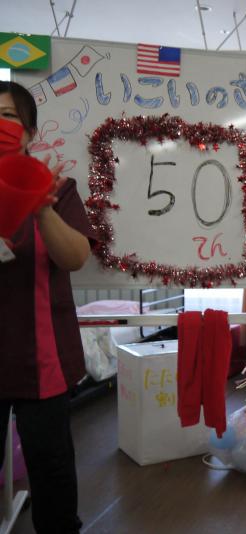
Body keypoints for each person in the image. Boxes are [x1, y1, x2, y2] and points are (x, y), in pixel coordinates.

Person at [0, 81, 91, 533]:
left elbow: (74, 257)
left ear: (31, 133)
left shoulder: (58, 188)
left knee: (53, 481)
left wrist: (41, 209)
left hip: (43, 362)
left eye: (8, 115)